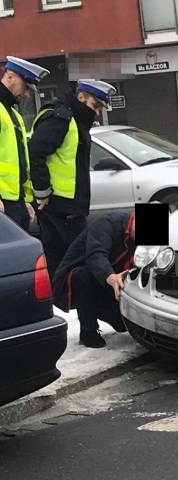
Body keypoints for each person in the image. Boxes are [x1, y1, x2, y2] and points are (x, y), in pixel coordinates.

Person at [28, 78, 116, 276]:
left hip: (65, 202)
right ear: (81, 97)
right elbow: (36, 151)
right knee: (82, 252)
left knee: (59, 256)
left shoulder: (74, 119)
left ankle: (61, 298)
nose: (97, 112)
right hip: (61, 203)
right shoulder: (62, 118)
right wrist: (42, 192)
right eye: (95, 105)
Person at [52, 210, 135, 348]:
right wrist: (111, 277)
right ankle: (88, 330)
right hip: (76, 277)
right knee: (84, 276)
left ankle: (101, 308)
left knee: (122, 325)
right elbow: (96, 255)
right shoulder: (107, 223)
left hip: (108, 280)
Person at [0, 56, 49, 233]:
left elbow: (20, 161)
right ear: (10, 76)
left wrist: (25, 200)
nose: (27, 94)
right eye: (26, 86)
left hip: (16, 201)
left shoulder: (14, 115)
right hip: (3, 201)